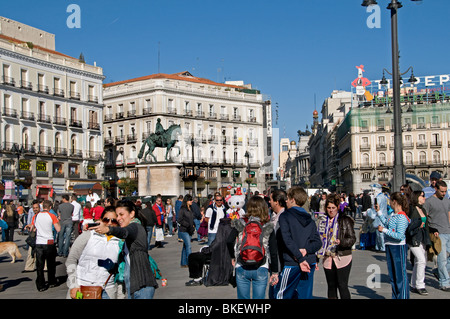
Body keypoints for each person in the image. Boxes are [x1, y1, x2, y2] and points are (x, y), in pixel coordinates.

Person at [94, 200, 158, 299]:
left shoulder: (136, 227)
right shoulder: (130, 232)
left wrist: (108, 229)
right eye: (117, 215)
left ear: (132, 213)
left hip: (142, 285)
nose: (118, 218)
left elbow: (125, 232)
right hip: (133, 286)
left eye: (121, 214)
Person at [273, 186, 322, 299]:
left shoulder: (285, 216)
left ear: (293, 199)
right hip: (309, 261)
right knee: (304, 295)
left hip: (292, 261)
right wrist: (306, 250)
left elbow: (287, 239)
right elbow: (318, 242)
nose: (286, 201)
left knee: (281, 295)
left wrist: (299, 257)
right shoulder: (309, 218)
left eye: (288, 198)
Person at [227, 195, 278, 299]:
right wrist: (275, 271)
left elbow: (229, 241)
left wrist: (233, 257)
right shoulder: (267, 225)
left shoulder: (241, 222)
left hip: (242, 264)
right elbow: (273, 251)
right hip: (261, 265)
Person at [66, 207, 123, 299]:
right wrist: (73, 284)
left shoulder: (120, 242)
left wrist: (121, 296)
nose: (109, 223)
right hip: (81, 287)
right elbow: (71, 260)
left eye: (114, 221)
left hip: (107, 290)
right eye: (106, 220)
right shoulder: (89, 235)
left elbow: (122, 271)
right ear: (100, 220)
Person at [316, 193, 356, 299]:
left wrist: (341, 242)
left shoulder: (345, 220)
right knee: (331, 286)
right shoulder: (322, 222)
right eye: (328, 208)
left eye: (333, 208)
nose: (331, 210)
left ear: (338, 207)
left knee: (342, 285)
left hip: (342, 257)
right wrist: (316, 258)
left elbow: (352, 239)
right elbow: (318, 241)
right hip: (327, 258)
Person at [377, 192, 411, 299]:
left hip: (398, 246)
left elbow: (400, 235)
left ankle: (403, 296)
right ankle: (396, 296)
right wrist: (379, 212)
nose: (389, 203)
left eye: (390, 201)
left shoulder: (401, 217)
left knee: (400, 275)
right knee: (393, 275)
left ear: (394, 201)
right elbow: (386, 223)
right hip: (389, 245)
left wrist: (384, 230)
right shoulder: (393, 214)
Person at [25, 200, 61, 292]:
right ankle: (51, 281)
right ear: (50, 207)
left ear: (42, 207)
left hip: (39, 242)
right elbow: (58, 229)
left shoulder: (36, 216)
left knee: (39, 265)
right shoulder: (52, 216)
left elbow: (33, 229)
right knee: (51, 264)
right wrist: (58, 220)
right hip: (49, 242)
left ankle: (41, 284)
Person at [423, 180, 450, 291]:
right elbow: (424, 217)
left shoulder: (447, 201)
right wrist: (430, 230)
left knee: (446, 259)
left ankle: (437, 272)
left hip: (448, 231)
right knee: (442, 258)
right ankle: (444, 282)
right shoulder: (429, 202)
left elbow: (449, 214)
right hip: (438, 233)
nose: (444, 193)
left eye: (445, 191)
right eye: (442, 191)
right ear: (436, 189)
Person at [407, 190, 432, 295]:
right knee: (421, 260)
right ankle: (420, 285)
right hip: (413, 238)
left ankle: (413, 284)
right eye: (422, 196)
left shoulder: (422, 209)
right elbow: (409, 225)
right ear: (416, 197)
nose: (424, 198)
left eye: (424, 196)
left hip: (422, 238)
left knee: (420, 261)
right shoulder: (412, 209)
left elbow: (426, 224)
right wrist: (418, 225)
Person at [177, 194, 195, 268]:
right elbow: (179, 220)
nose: (192, 201)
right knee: (188, 246)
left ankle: (183, 262)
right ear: (186, 201)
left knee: (185, 246)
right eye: (190, 200)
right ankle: (190, 262)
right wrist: (187, 224)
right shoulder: (182, 209)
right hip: (184, 230)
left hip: (190, 230)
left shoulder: (191, 209)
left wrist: (193, 225)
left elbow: (192, 218)